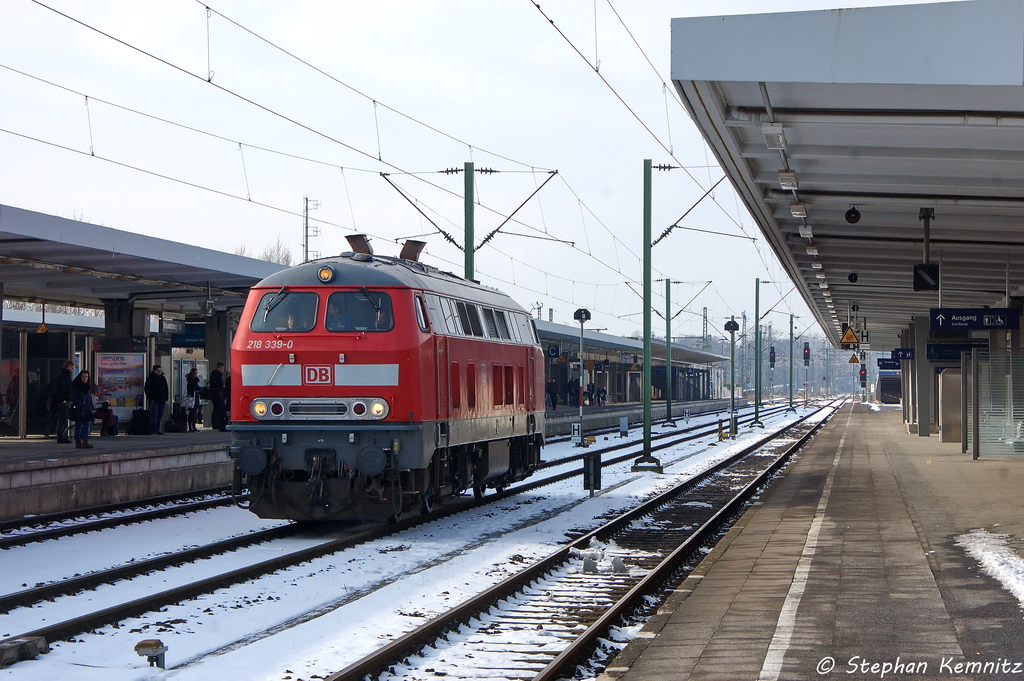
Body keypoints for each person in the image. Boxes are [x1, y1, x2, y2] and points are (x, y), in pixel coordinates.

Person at [70, 370, 95, 449]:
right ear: (80, 377)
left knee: (86, 425)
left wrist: (91, 406)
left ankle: (85, 441)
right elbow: (72, 396)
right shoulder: (76, 386)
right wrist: (79, 404)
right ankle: (78, 442)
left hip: (87, 408)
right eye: (83, 377)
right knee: (78, 425)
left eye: (86, 377)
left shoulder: (87, 386)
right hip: (79, 408)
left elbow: (89, 397)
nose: (85, 378)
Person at [144, 364, 169, 435]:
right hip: (154, 400)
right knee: (154, 415)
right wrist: (150, 398)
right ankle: (153, 430)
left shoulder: (163, 378)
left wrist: (166, 397)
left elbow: (166, 388)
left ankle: (158, 429)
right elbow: (147, 388)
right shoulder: (150, 378)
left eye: (160, 371)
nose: (159, 372)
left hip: (162, 399)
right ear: (154, 371)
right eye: (158, 370)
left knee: (160, 416)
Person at [54, 359, 74, 444]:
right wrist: (64, 399)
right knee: (62, 419)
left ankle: (63, 436)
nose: (72, 369)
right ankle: (61, 436)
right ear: (67, 367)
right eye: (70, 367)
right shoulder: (64, 376)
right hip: (63, 401)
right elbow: (62, 389)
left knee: (63, 419)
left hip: (64, 400)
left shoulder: (64, 376)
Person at [209, 362, 226, 431]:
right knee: (217, 409)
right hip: (217, 394)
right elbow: (218, 384)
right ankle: (216, 424)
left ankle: (216, 423)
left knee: (217, 409)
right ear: (218, 367)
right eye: (221, 368)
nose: (222, 370)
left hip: (215, 394)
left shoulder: (214, 374)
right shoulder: (216, 375)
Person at [185, 367, 200, 432]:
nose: (196, 374)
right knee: (193, 413)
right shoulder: (192, 380)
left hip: (192, 397)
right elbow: (196, 388)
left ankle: (192, 427)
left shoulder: (191, 380)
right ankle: (192, 427)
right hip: (192, 397)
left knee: (192, 412)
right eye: (196, 372)